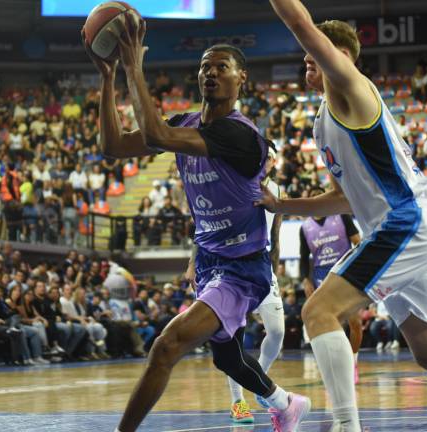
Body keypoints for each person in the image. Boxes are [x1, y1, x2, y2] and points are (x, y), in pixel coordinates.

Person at [262, 3, 427, 430]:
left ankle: (347, 426)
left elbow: (298, 21)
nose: (305, 57)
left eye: (314, 50)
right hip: (403, 230)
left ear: (342, 57)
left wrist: (301, 25)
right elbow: (343, 198)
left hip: (402, 226)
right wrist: (283, 206)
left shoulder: (349, 86)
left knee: (318, 313)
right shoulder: (323, 119)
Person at [85, 20, 309, 431]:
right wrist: (109, 75)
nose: (211, 72)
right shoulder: (186, 123)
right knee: (225, 356)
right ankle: (285, 403)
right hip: (209, 259)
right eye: (206, 66)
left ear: (242, 78)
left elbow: (154, 132)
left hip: (242, 269)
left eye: (222, 66)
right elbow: (113, 146)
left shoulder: (240, 135)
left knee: (166, 347)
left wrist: (134, 64)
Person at [225, 144, 286, 424]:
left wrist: (274, 271)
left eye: (268, 158)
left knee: (277, 331)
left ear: (273, 162)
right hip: (234, 266)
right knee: (233, 337)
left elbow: (276, 232)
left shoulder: (277, 190)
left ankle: (259, 381)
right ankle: (238, 401)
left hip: (263, 267)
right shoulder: (236, 182)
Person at [299, 186, 362, 378]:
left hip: (345, 274)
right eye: (313, 196)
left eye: (320, 196)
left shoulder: (341, 216)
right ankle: (336, 366)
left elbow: (358, 241)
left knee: (355, 323)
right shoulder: (305, 227)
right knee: (329, 325)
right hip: (321, 277)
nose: (317, 199)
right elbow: (304, 257)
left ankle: (353, 363)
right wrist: (305, 279)